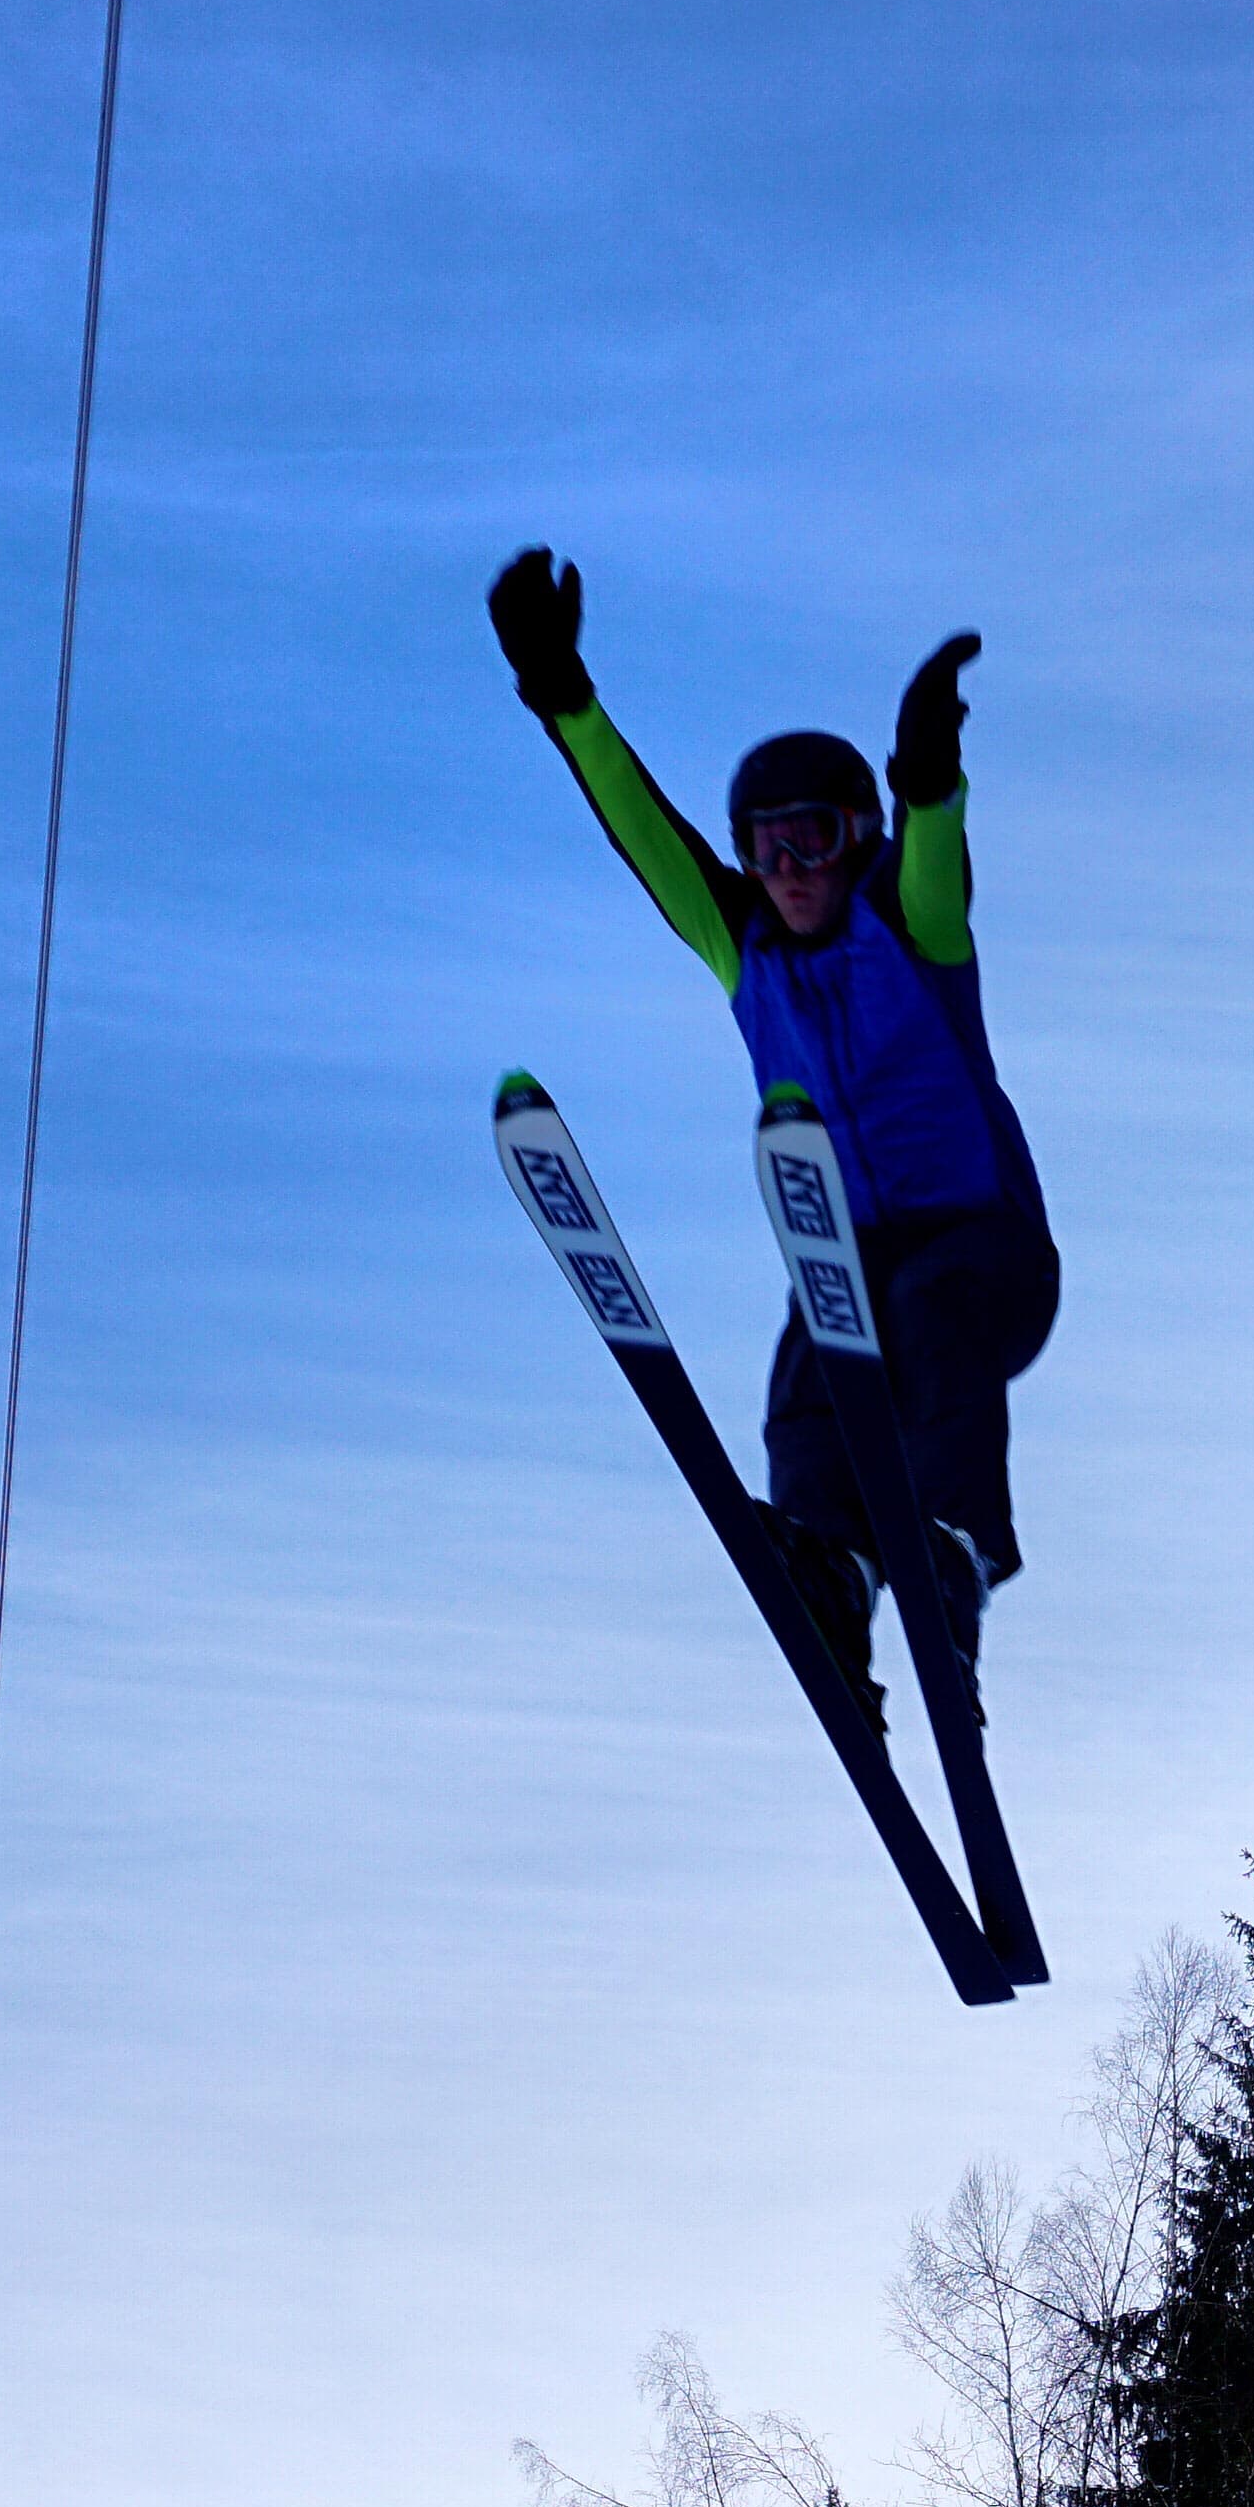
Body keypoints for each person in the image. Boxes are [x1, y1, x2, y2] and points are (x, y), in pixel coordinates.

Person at [486, 547, 1058, 1713]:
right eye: (764, 847)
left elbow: (933, 847)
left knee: (924, 1306)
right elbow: (644, 832)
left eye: (814, 839)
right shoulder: (738, 944)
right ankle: (835, 1573)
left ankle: (952, 1549)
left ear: (857, 838)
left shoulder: (913, 928)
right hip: (849, 1267)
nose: (789, 870)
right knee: (810, 1378)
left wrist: (927, 778)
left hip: (986, 1257)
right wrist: (564, 699)